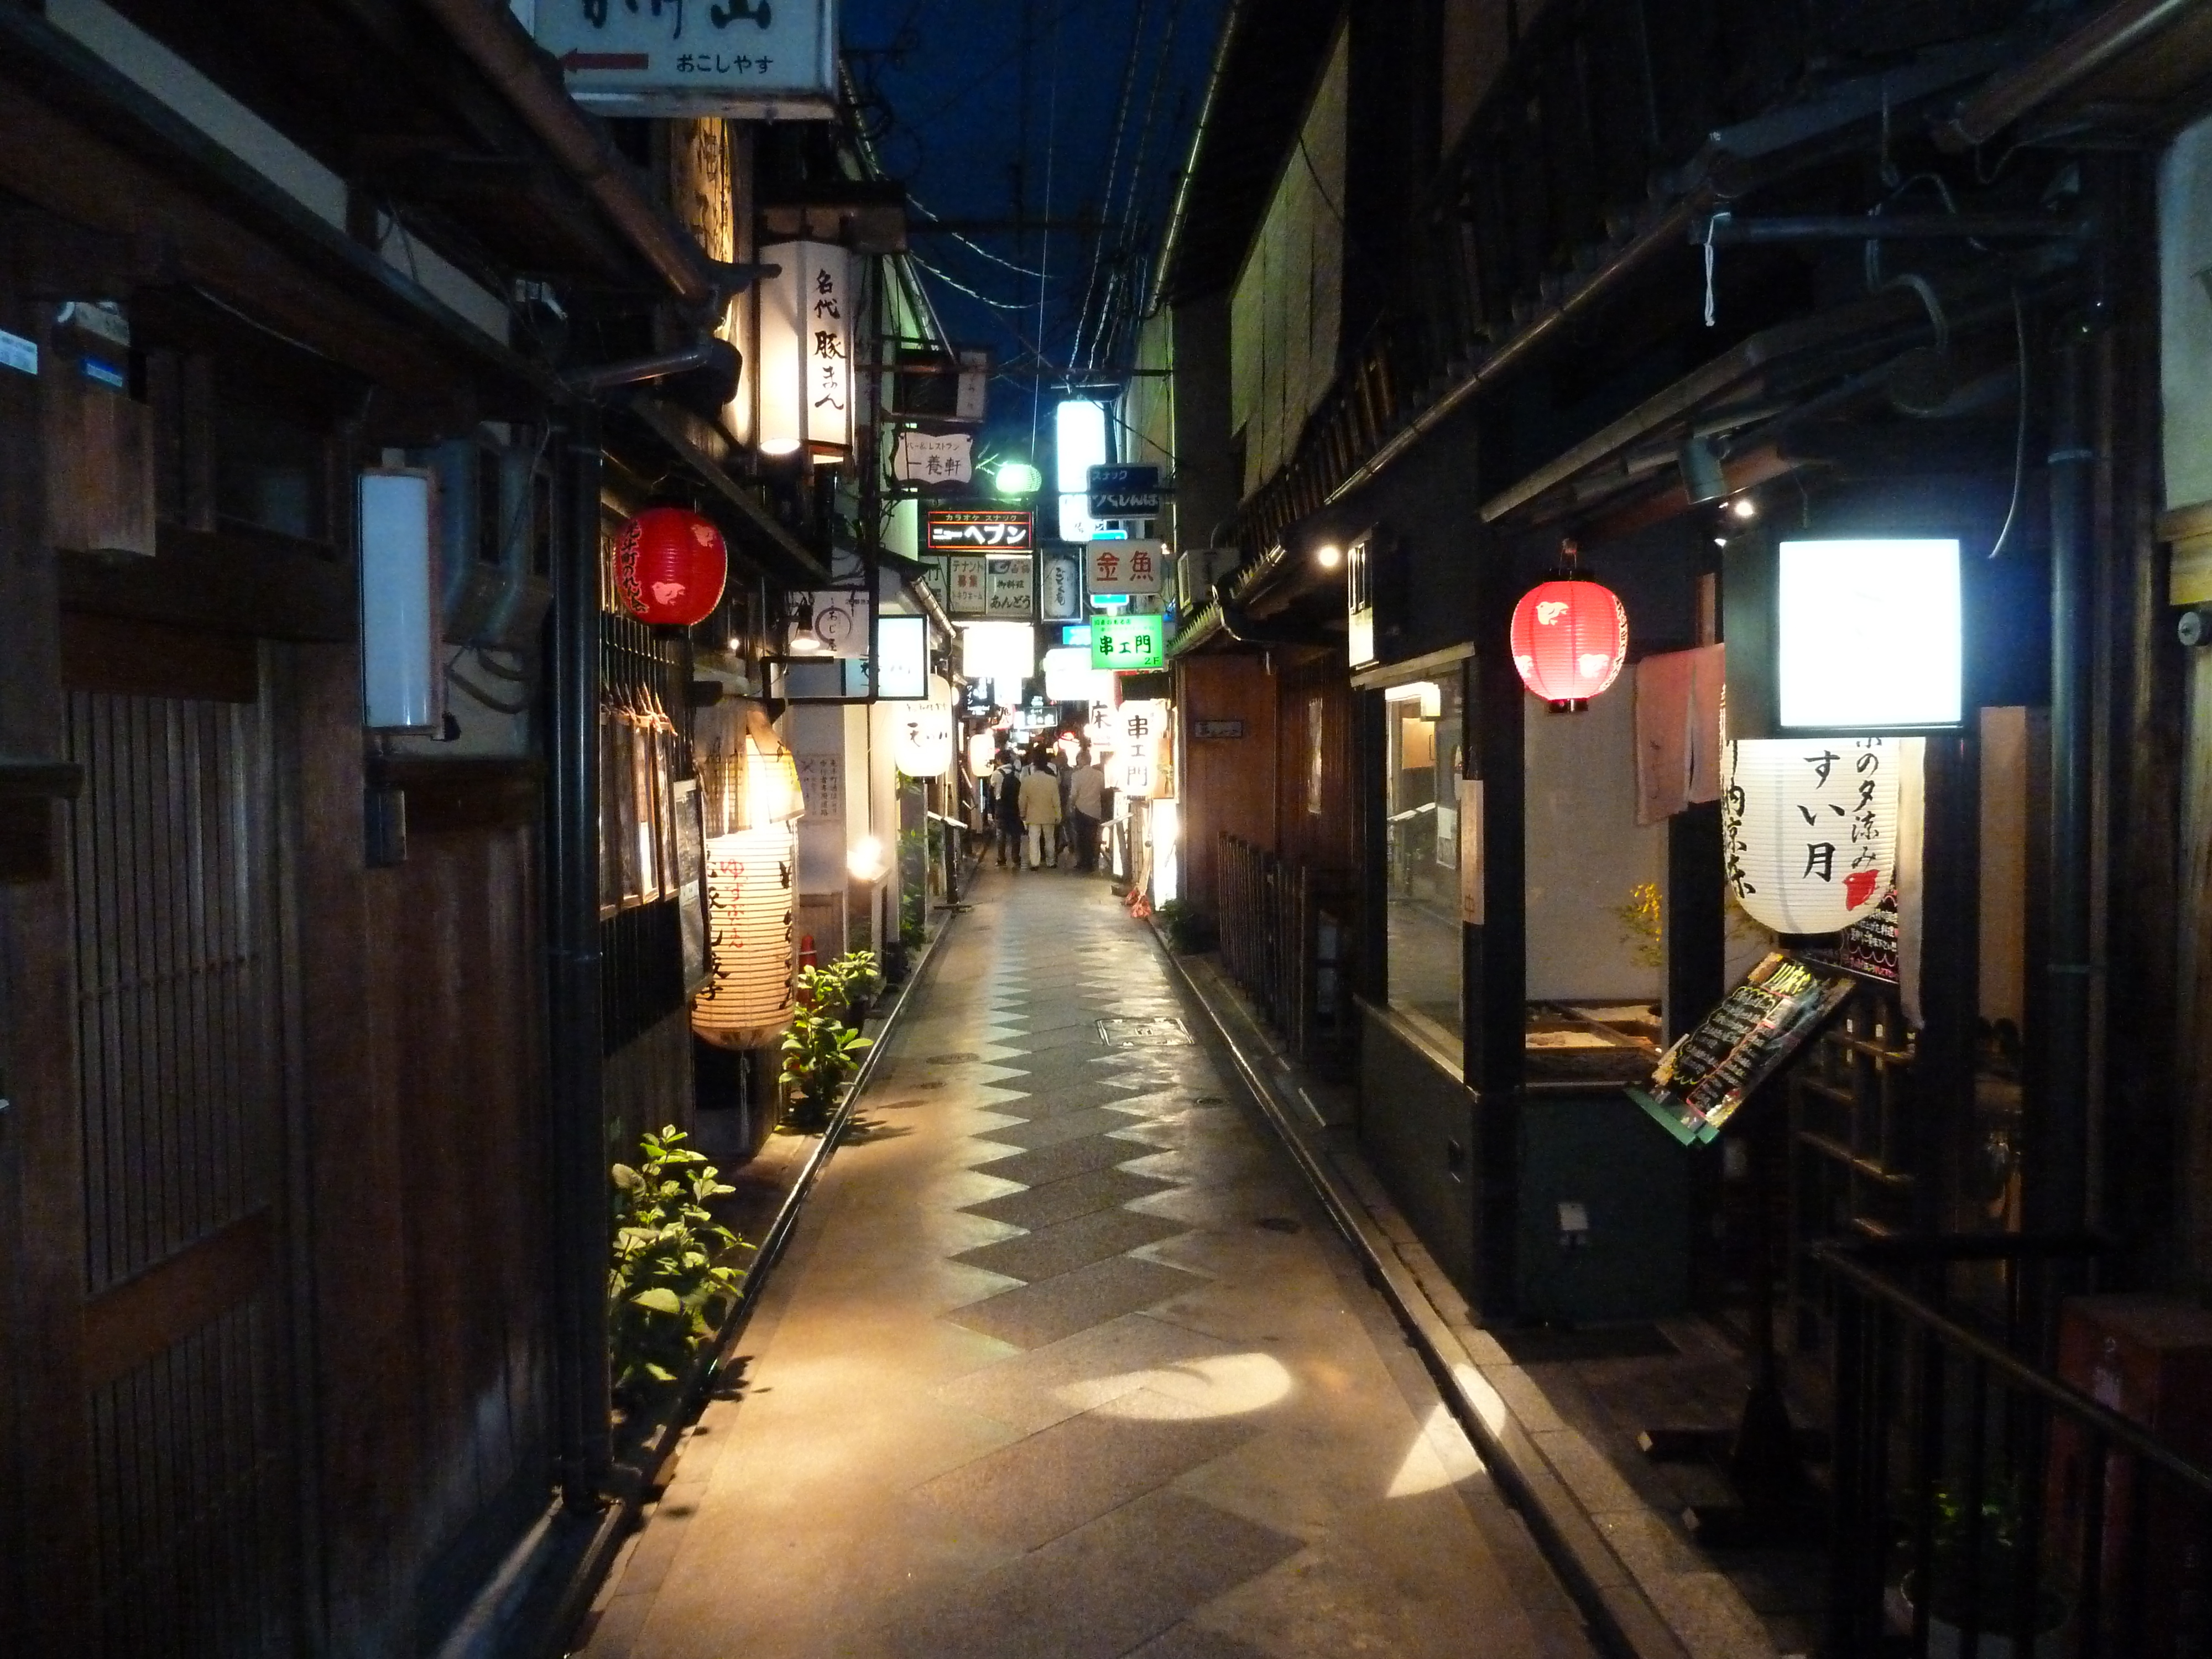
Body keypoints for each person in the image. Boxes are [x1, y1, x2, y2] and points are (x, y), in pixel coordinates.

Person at [1016, 753, 1063, 870]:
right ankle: (1051, 862)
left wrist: (1022, 813)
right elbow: (1056, 800)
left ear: (1035, 766)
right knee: (1049, 839)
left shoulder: (1027, 780)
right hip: (1049, 814)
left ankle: (1035, 863)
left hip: (1032, 815)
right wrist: (1058, 814)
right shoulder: (1052, 780)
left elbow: (1022, 799)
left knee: (1034, 840)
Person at [1067, 745, 1105, 873]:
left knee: (1082, 837)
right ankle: (1091, 862)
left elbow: (1074, 794)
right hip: (1095, 810)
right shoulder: (1099, 775)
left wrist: (1070, 806)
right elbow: (1102, 790)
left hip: (1081, 810)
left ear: (1081, 760)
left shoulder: (1077, 775)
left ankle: (1083, 862)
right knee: (1093, 837)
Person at [989, 747, 1024, 869]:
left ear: (999, 760)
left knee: (1001, 833)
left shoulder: (996, 774)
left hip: (1001, 806)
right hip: (1015, 805)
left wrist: (991, 812)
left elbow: (992, 792)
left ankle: (1001, 859)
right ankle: (1016, 858)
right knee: (1016, 834)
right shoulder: (1018, 773)